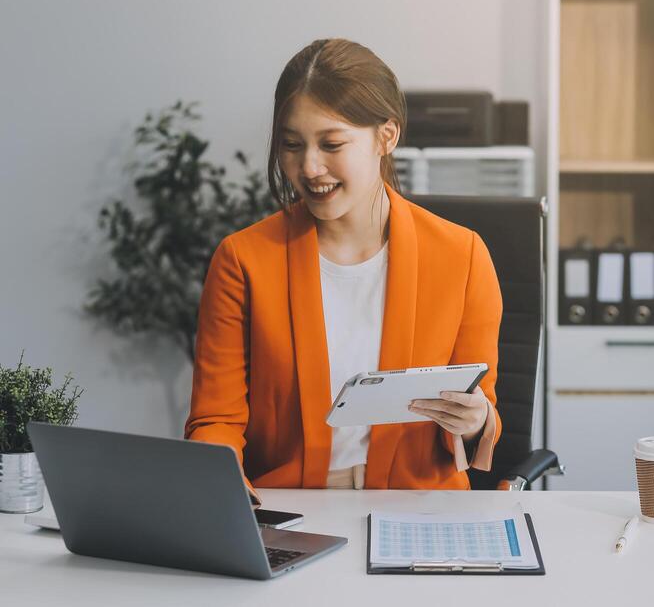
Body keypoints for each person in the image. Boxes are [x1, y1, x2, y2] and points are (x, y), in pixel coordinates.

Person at [184, 38, 502, 502]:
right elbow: (216, 419)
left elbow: (483, 407)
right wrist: (224, 493)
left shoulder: (463, 255)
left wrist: (476, 420)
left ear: (386, 136)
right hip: (288, 509)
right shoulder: (243, 261)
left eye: (332, 144)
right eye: (292, 145)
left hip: (419, 509)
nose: (309, 168)